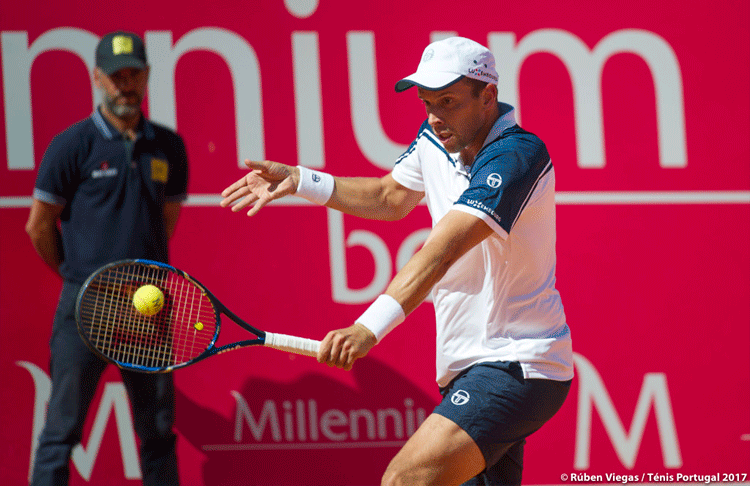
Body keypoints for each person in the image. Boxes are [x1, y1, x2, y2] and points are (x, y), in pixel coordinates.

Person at [220, 36, 573, 486]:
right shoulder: (437, 139)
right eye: (427, 103)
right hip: (466, 366)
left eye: (448, 101)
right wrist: (302, 180)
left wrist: (367, 328)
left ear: (488, 96)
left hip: (516, 363)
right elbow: (391, 196)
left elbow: (440, 252)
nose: (435, 117)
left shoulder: (517, 155)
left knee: (404, 479)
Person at [25, 31, 188, 486]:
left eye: (133, 74)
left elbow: (166, 221)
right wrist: (77, 275)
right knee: (61, 433)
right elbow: (38, 226)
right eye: (116, 76)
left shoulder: (169, 147)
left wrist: (140, 273)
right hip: (86, 306)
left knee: (158, 433)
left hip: (147, 309)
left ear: (147, 75)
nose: (125, 84)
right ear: (97, 78)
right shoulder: (71, 144)